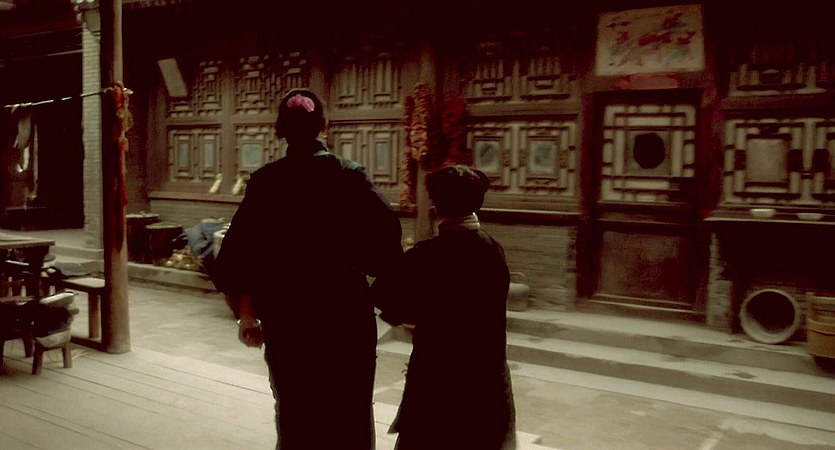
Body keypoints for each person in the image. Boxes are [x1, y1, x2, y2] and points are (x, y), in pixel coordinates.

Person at [212, 88, 403, 450]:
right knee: (349, 410)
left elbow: (240, 255)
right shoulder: (349, 176)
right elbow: (386, 246)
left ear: (280, 130)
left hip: (288, 318)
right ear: (323, 126)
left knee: (295, 410)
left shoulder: (267, 181)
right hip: (344, 317)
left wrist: (248, 315)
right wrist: (387, 300)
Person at [373, 165, 517, 450]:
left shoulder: (428, 256)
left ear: (436, 205)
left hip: (438, 383)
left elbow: (387, 302)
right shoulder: (493, 250)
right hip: (487, 382)